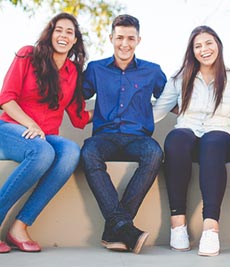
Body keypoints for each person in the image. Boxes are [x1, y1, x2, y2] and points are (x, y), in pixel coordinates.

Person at [152, 25, 230, 257]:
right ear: (192, 51)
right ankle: (178, 225)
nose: (204, 49)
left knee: (212, 142)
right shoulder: (180, 79)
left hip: (220, 137)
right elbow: (156, 113)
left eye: (208, 43)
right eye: (197, 46)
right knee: (176, 139)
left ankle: (211, 228)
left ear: (218, 44)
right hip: (187, 135)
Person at [0, 13, 91, 253]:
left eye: (69, 32)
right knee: (42, 153)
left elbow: (78, 116)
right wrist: (29, 124)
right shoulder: (28, 55)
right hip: (11, 127)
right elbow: (6, 98)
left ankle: (19, 226)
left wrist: (116, 112)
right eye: (58, 30)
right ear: (50, 34)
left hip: (45, 136)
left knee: (71, 151)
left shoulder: (73, 72)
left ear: (75, 40)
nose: (63, 35)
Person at [80, 14, 166, 254]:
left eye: (130, 38)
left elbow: (173, 98)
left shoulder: (152, 71)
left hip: (138, 138)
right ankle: (124, 228)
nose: (124, 44)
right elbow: (74, 96)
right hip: (104, 137)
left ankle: (116, 228)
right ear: (111, 38)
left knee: (154, 153)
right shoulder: (96, 69)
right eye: (119, 38)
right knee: (88, 152)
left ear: (139, 39)